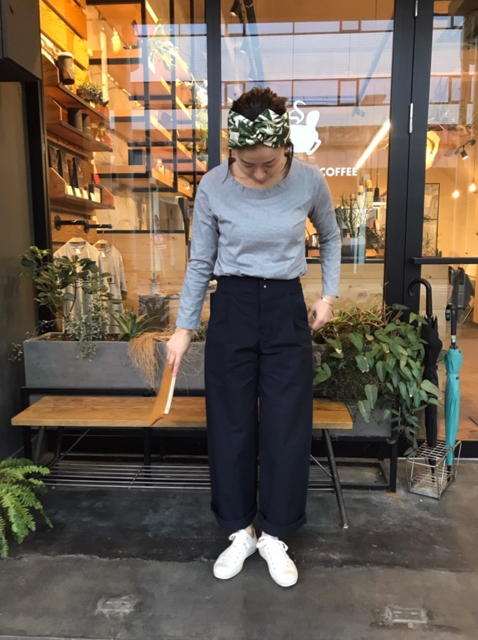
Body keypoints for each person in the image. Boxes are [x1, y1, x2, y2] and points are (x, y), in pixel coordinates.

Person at [166, 87, 341, 588]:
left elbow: (331, 237)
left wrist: (328, 295)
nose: (260, 174)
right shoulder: (212, 186)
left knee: (287, 423)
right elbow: (200, 261)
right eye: (248, 165)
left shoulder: (309, 181)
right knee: (230, 422)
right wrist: (183, 329)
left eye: (269, 163)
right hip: (233, 306)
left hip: (286, 306)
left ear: (286, 147)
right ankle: (240, 530)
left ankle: (276, 534)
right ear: (233, 151)